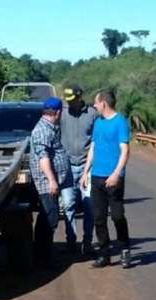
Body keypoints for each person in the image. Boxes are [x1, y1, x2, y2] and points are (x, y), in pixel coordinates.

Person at [80, 89, 132, 269]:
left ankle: (125, 250)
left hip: (114, 178)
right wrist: (85, 171)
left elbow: (125, 151)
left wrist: (116, 173)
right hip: (97, 177)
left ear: (103, 103)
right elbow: (93, 148)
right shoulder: (98, 123)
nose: (94, 106)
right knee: (99, 218)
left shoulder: (120, 122)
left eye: (96, 102)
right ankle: (104, 254)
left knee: (117, 216)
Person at [29, 96, 74, 268]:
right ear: (57, 113)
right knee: (49, 219)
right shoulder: (42, 131)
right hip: (47, 184)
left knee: (49, 219)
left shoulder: (50, 128)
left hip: (52, 182)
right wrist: (52, 181)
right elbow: (43, 158)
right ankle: (41, 258)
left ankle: (44, 256)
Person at [59, 82, 98, 256]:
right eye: (68, 100)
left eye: (73, 99)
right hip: (66, 166)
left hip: (86, 166)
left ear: (80, 96)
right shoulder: (62, 114)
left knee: (89, 206)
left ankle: (87, 241)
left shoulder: (92, 114)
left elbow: (96, 142)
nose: (70, 103)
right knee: (68, 205)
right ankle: (71, 240)